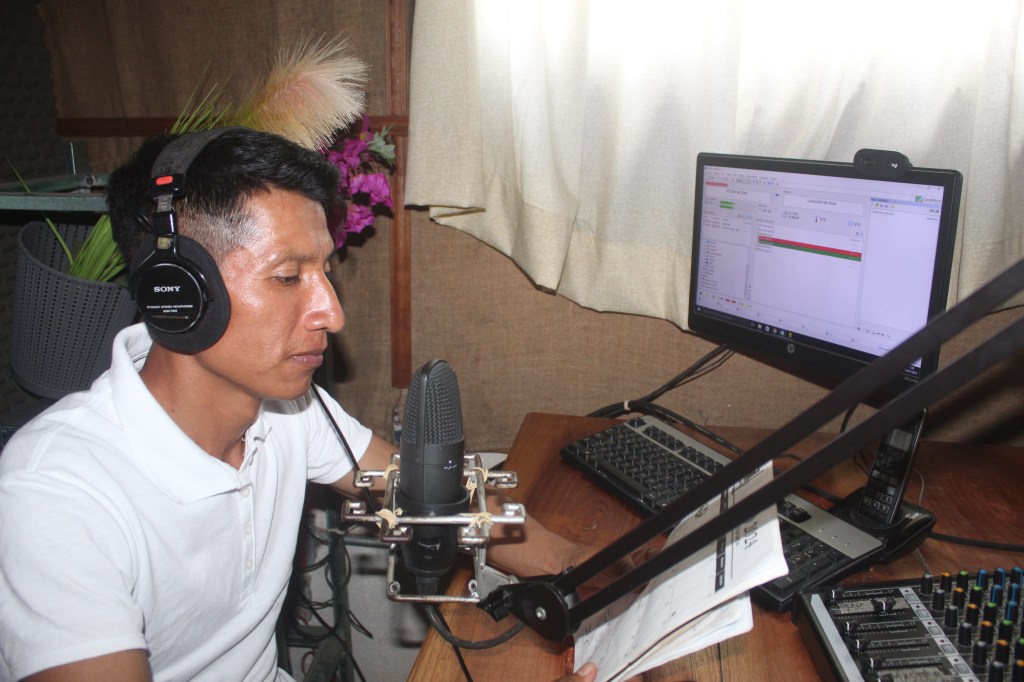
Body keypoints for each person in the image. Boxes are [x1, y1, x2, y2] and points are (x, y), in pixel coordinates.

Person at [0, 128, 608, 681]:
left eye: (324, 274)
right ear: (175, 292)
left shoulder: (287, 409)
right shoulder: (54, 494)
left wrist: (580, 565)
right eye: (289, 277)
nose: (333, 315)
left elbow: (433, 497)